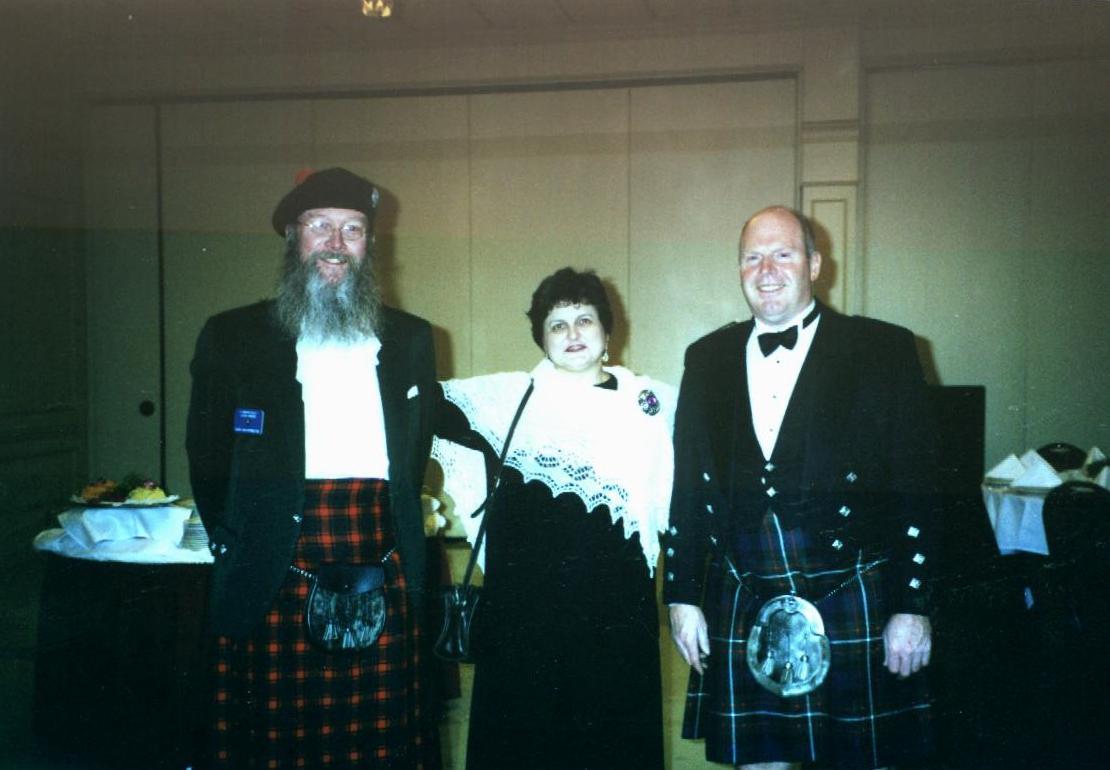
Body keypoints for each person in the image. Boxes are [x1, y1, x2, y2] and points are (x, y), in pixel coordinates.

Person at [663, 206, 938, 770]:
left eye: (783, 253)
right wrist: (683, 595)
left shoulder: (882, 348)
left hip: (851, 586)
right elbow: (688, 483)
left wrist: (913, 607)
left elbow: (917, 482)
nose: (767, 269)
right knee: (760, 761)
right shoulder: (706, 357)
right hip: (745, 588)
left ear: (815, 264)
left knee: (861, 759)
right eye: (751, 257)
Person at [186, 167, 439, 768]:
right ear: (293, 237)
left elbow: (416, 446)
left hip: (382, 552)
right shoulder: (233, 335)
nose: (335, 242)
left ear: (370, 244)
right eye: (319, 225)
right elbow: (207, 452)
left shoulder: (409, 338)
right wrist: (245, 537)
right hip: (275, 558)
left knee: (379, 746)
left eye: (353, 229)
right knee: (277, 743)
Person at [430, 267, 675, 770]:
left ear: (609, 331)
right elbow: (419, 405)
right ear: (541, 338)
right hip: (525, 618)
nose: (573, 334)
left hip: (615, 618)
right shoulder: (506, 400)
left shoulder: (653, 405)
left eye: (585, 319)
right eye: (557, 324)